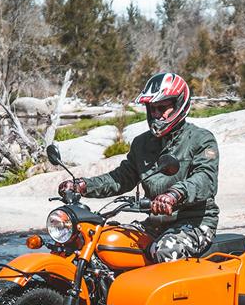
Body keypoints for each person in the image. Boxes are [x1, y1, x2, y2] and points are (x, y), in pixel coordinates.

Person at [58, 72, 219, 263]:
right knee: (104, 242)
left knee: (165, 250)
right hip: (155, 223)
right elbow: (121, 178)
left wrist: (174, 194)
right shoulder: (142, 144)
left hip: (194, 223)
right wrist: (83, 185)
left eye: (161, 108)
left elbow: (205, 178)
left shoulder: (201, 139)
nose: (156, 114)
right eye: (152, 109)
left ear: (179, 105)